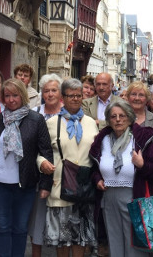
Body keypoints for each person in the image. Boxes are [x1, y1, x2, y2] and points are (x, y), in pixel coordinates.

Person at [0, 79, 54, 257]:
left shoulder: (36, 120)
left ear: (22, 96)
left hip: (25, 184)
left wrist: (46, 185)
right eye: (7, 96)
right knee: (2, 226)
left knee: (20, 227)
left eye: (15, 95)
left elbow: (46, 151)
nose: (11, 100)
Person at [89, 101, 153, 257]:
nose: (118, 120)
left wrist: (142, 165)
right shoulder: (102, 140)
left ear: (130, 118)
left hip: (134, 197)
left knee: (135, 245)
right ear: (108, 120)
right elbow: (95, 169)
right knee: (114, 242)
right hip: (108, 198)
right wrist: (97, 180)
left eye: (122, 116)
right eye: (113, 116)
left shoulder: (141, 139)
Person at [41, 78, 97, 256]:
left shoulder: (90, 123)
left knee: (80, 237)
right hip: (60, 187)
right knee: (63, 240)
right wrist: (41, 163)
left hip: (84, 188)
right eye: (70, 95)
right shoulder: (50, 123)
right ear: (62, 98)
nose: (75, 99)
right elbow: (40, 151)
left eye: (78, 95)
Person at [29, 73, 64, 257]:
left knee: (60, 218)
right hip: (40, 170)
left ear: (60, 92)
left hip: (62, 172)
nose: (50, 94)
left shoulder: (68, 113)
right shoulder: (35, 112)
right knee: (38, 216)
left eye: (53, 90)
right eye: (46, 91)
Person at [126, 81, 153, 150]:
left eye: (141, 95)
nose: (137, 98)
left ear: (147, 99)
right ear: (128, 97)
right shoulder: (119, 118)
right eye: (134, 94)